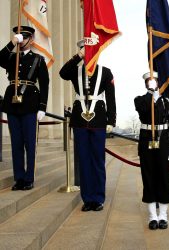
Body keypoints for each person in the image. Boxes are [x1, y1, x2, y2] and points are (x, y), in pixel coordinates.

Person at [59, 40, 116, 212]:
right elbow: (62, 73)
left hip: (98, 118)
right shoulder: (75, 70)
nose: (89, 53)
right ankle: (87, 198)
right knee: (83, 160)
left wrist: (111, 120)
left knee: (97, 160)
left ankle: (98, 198)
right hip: (79, 119)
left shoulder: (105, 72)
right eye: (85, 50)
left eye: (91, 50)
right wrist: (79, 55)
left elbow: (111, 98)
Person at [0, 26, 49, 191]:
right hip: (12, 104)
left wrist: (42, 107)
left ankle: (29, 178)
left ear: (31, 40)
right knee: (16, 143)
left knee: (30, 143)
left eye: (24, 37)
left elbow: (45, 84)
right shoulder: (11, 57)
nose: (21, 40)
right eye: (19, 37)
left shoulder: (38, 59)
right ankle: (19, 178)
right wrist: (11, 43)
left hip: (30, 103)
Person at [134, 72, 169, 230]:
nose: (151, 82)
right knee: (149, 178)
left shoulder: (167, 102)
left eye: (153, 81)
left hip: (163, 142)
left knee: (163, 178)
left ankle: (163, 216)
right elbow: (144, 110)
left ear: (159, 82)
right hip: (147, 141)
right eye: (148, 81)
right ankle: (152, 216)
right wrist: (151, 94)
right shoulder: (140, 100)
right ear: (146, 83)